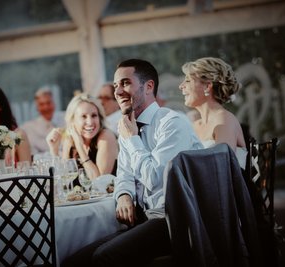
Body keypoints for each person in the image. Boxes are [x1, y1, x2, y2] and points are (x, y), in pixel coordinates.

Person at [61, 59, 202, 267]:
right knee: (73, 262)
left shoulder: (172, 123)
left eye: (125, 83)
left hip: (174, 220)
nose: (118, 91)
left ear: (148, 86)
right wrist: (124, 196)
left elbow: (155, 178)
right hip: (144, 219)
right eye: (116, 85)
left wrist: (133, 139)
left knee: (104, 258)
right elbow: (124, 175)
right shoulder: (128, 125)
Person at [179, 57, 247, 168]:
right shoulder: (193, 125)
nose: (181, 86)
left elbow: (222, 168)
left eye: (187, 80)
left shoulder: (224, 120)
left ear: (207, 86)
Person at [46, 93, 118, 180]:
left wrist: (80, 147)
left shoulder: (106, 136)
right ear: (73, 121)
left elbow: (99, 182)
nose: (90, 122)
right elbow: (63, 181)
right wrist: (54, 150)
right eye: (84, 116)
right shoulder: (70, 139)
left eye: (94, 115)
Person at [21, 86, 65, 156]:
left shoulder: (65, 119)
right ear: (37, 107)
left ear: (54, 103)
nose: (46, 107)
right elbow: (34, 154)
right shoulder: (29, 128)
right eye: (41, 104)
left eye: (48, 103)